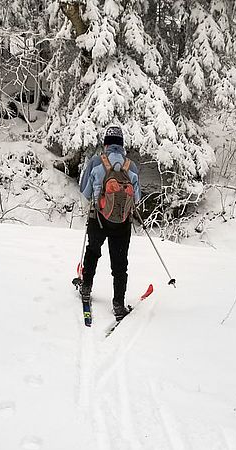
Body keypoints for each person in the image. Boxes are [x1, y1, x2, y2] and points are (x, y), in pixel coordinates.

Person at [79, 125, 142, 320]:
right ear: (122, 145)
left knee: (93, 251)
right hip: (122, 223)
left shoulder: (96, 162)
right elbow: (137, 198)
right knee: (120, 264)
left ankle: (86, 287)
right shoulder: (131, 166)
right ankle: (118, 304)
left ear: (106, 144)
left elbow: (85, 191)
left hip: (98, 218)